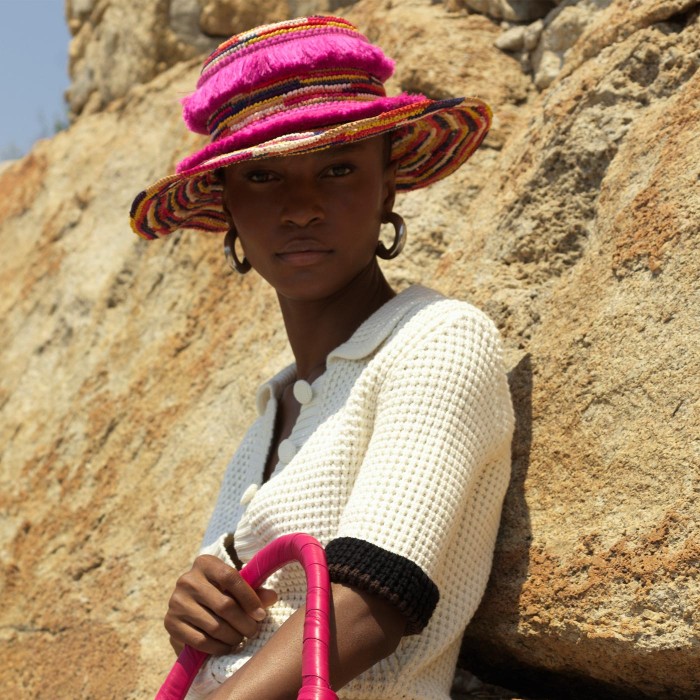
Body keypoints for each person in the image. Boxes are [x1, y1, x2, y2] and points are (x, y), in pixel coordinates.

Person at [130, 15, 514, 700]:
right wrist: (193, 612)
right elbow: (251, 626)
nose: (301, 207)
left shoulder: (439, 340)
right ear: (227, 208)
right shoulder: (270, 412)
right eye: (262, 176)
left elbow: (372, 601)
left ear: (388, 185)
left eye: (337, 168)